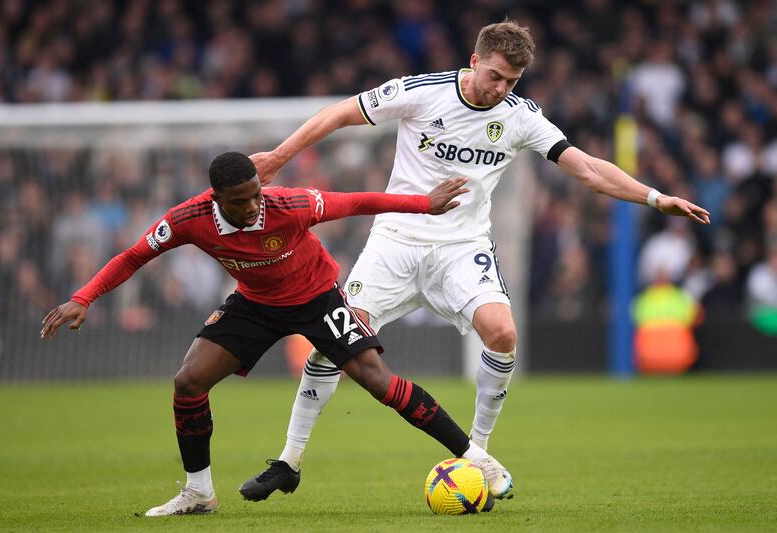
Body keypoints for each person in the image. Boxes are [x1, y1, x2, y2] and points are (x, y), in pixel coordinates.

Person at [242, 19, 711, 507]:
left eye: (512, 81)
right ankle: (288, 463)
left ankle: (478, 454)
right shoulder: (423, 92)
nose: (500, 88)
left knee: (503, 333)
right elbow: (340, 113)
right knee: (331, 348)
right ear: (474, 61)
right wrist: (278, 157)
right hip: (396, 239)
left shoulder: (521, 116)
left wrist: (656, 198)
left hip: (462, 247)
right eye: (494, 76)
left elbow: (589, 169)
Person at [39, 152, 514, 516]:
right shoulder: (189, 219)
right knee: (187, 382)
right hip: (254, 306)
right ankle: (199, 492)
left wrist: (422, 206)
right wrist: (84, 297)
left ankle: (478, 458)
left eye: (255, 194)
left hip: (318, 299)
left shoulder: (289, 204)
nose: (251, 206)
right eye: (239, 200)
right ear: (215, 198)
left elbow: (357, 202)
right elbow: (134, 255)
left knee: (377, 381)